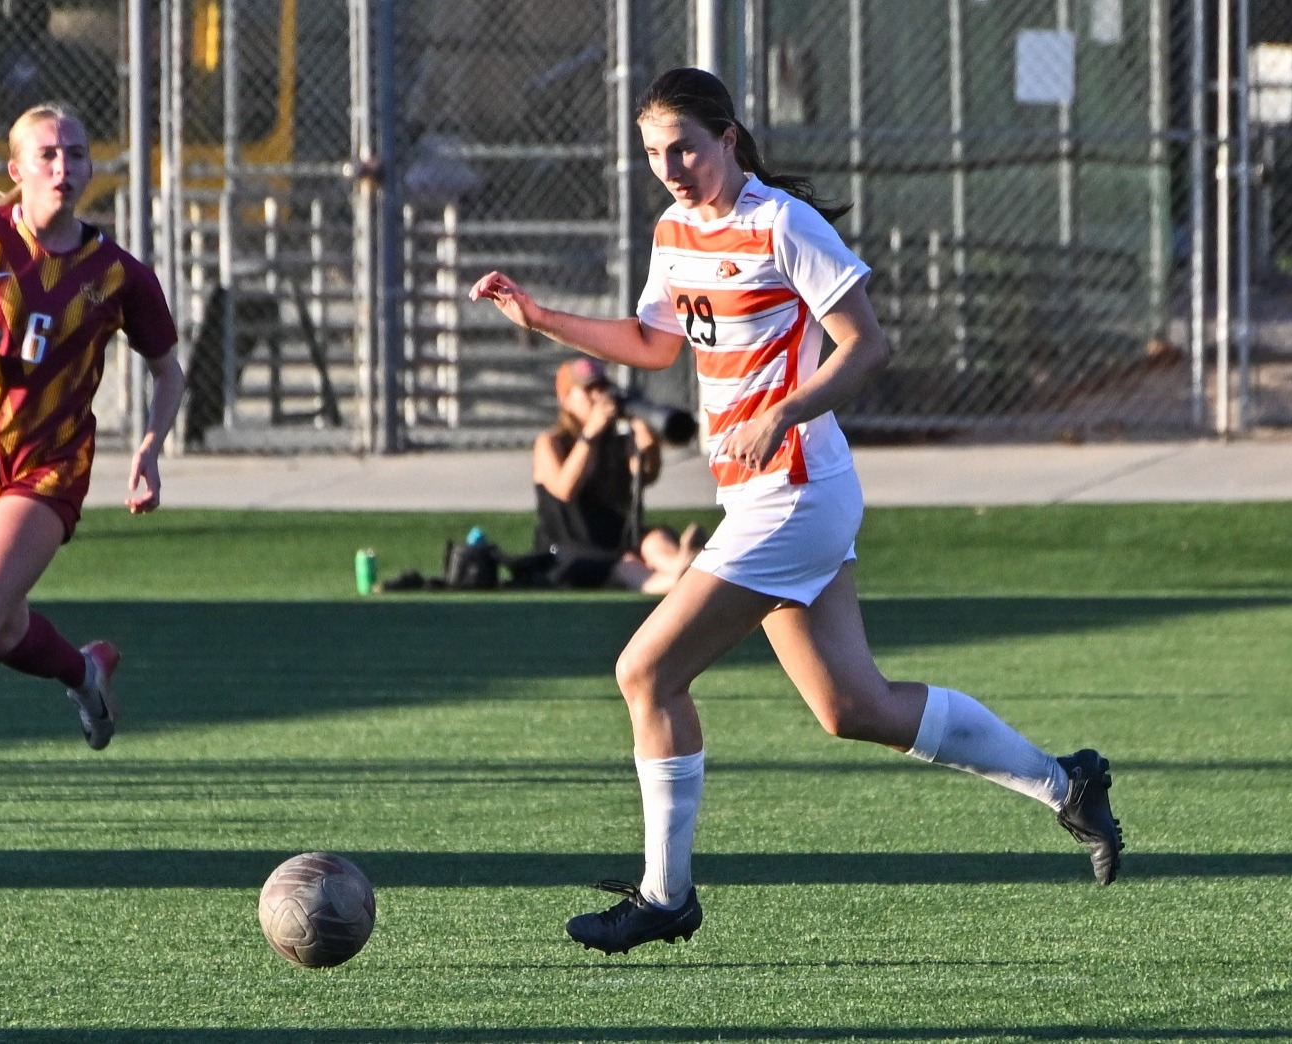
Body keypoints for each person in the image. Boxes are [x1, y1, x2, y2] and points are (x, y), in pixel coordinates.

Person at [471, 67, 1122, 953]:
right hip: (763, 495)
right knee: (853, 707)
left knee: (647, 673)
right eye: (655, 153)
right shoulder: (674, 229)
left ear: (728, 139)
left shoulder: (782, 223)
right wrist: (541, 317)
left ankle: (667, 896)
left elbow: (867, 345)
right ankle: (1066, 783)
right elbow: (655, 345)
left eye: (686, 148)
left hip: (798, 491)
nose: (671, 167)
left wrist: (782, 410)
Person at [0, 102, 185, 867]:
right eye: (49, 155)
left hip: (47, 467)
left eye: (77, 155)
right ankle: (83, 671)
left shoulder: (118, 272)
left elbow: (168, 370)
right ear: (17, 169)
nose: (64, 167)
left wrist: (150, 449)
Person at [531, 356, 704, 595]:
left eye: (602, 387)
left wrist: (646, 435)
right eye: (588, 390)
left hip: (617, 537)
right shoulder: (551, 443)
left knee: (655, 539)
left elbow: (646, 475)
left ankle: (681, 563)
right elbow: (564, 488)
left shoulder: (616, 442)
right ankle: (673, 581)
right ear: (566, 400)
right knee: (626, 564)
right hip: (571, 546)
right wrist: (591, 431)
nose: (598, 396)